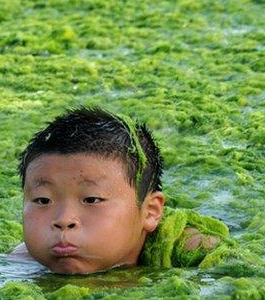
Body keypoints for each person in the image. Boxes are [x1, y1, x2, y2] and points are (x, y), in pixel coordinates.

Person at [12, 107, 227, 274]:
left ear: (150, 212)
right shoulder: (21, 262)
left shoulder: (196, 250)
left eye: (91, 199)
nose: (64, 220)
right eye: (43, 200)